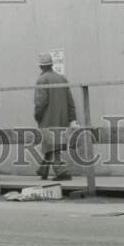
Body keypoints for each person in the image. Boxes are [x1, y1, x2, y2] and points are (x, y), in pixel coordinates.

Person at [33, 52, 77, 181]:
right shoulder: (62, 79)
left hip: (48, 118)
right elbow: (70, 101)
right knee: (54, 144)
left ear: (41, 67)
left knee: (51, 144)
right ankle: (43, 170)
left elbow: (40, 102)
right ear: (51, 65)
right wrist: (71, 118)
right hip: (62, 119)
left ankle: (61, 171)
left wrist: (37, 116)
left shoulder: (42, 80)